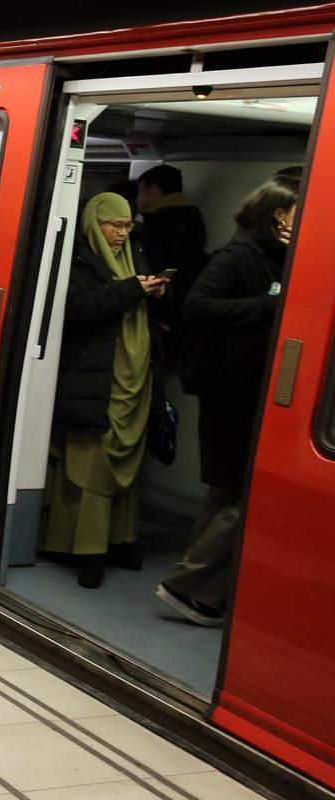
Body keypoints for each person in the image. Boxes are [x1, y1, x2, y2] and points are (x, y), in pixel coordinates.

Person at [157, 174, 299, 626]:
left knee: (228, 493)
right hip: (230, 389)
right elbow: (196, 306)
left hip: (246, 387)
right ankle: (185, 583)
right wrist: (265, 307)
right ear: (279, 213)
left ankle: (203, 593)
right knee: (240, 492)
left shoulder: (279, 257)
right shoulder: (239, 257)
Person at [43, 192, 168, 589]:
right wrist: (132, 289)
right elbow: (77, 309)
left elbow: (144, 301)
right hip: (95, 376)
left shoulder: (135, 253)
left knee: (126, 461)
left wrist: (160, 292)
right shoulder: (78, 258)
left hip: (136, 375)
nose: (122, 233)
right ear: (94, 224)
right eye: (114, 225)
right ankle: (84, 548)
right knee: (91, 462)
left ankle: (116, 540)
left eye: (128, 225)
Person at [136, 165, 208, 363]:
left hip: (163, 314)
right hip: (186, 312)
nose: (137, 199)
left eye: (140, 191)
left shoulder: (158, 225)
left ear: (153, 190)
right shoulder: (192, 219)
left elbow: (155, 270)